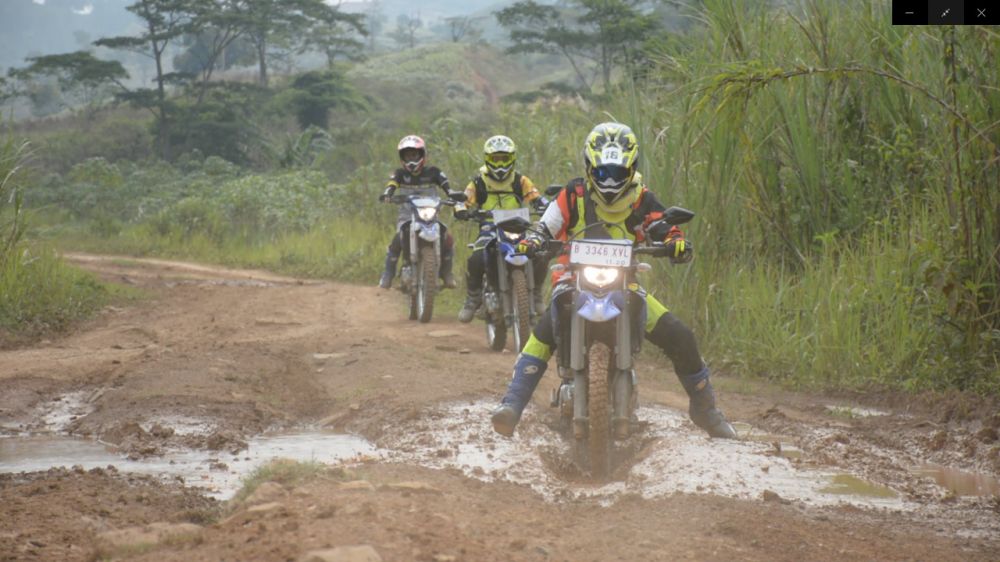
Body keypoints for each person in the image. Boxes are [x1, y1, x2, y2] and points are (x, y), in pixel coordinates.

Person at [489, 122, 737, 439]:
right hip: (571, 280)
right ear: (590, 167)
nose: (609, 180)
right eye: (602, 172)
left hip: (626, 285)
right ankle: (511, 405)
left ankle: (706, 411)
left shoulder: (641, 198)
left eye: (617, 173)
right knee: (543, 333)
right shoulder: (573, 194)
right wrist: (534, 239)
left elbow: (660, 224)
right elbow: (546, 224)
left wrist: (674, 240)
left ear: (630, 169)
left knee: (681, 335)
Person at [456, 135, 549, 322]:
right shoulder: (478, 182)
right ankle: (473, 298)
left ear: (512, 159)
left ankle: (536, 293)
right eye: (495, 159)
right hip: (489, 227)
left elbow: (536, 196)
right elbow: (464, 200)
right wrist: (461, 210)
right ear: (488, 159)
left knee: (540, 253)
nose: (500, 164)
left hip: (518, 225)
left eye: (504, 159)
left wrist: (545, 205)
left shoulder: (520, 181)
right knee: (476, 257)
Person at [378, 135, 456, 290]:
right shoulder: (400, 174)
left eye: (414, 155)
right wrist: (388, 194)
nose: (411, 159)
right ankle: (389, 273)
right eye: (407, 156)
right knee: (398, 239)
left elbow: (446, 186)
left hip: (431, 216)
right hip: (408, 216)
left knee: (447, 237)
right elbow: (392, 184)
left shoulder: (434, 172)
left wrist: (453, 195)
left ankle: (447, 273)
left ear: (422, 155)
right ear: (402, 158)